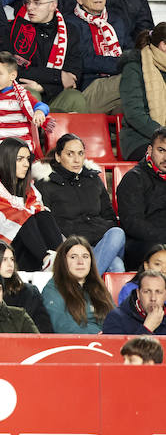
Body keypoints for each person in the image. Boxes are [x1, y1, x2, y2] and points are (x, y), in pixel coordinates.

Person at [0, 138, 64, 274]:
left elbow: (37, 212)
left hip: (23, 249)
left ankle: (61, 260)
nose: (26, 164)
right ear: (7, 160)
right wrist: (20, 217)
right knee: (23, 217)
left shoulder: (30, 189)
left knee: (43, 215)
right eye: (20, 159)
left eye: (28, 159)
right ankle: (47, 259)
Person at [36, 133, 125, 273]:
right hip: (72, 247)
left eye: (80, 153)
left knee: (117, 233)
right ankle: (87, 281)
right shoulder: (46, 183)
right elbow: (45, 223)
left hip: (100, 243)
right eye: (70, 154)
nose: (77, 160)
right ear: (58, 157)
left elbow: (109, 215)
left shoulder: (93, 179)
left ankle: (83, 284)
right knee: (117, 265)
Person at [40, 235, 115, 334]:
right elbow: (62, 326)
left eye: (85, 256)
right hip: (76, 345)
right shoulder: (53, 289)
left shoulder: (100, 287)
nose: (80, 262)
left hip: (107, 345)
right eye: (73, 257)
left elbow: (115, 321)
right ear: (63, 261)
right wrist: (96, 336)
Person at [117, 128, 166, 268]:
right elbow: (133, 223)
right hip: (142, 244)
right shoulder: (133, 178)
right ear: (150, 150)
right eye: (161, 150)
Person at [103, 269, 166, 336]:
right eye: (147, 291)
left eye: (158, 292)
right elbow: (116, 346)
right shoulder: (115, 318)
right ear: (138, 294)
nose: (153, 298)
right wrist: (147, 328)